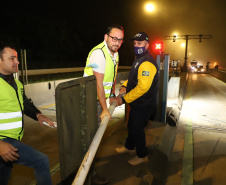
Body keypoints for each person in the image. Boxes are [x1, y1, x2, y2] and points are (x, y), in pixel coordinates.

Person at [0, 42, 55, 185]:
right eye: (12, 58)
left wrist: (38, 115)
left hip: (10, 142)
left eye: (17, 58)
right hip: (4, 142)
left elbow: (24, 103)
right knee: (41, 161)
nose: (17, 62)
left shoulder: (16, 83)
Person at [83, 24, 124, 184]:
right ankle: (89, 175)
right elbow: (99, 84)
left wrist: (113, 95)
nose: (117, 43)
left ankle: (90, 172)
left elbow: (112, 78)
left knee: (96, 139)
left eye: (120, 40)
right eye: (114, 38)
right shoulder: (99, 54)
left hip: (100, 100)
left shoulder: (115, 54)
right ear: (106, 37)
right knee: (91, 140)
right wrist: (105, 109)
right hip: (89, 101)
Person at [112, 32, 159, 165]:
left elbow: (142, 88)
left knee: (137, 128)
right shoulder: (139, 59)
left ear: (147, 45)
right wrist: (125, 85)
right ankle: (129, 147)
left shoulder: (147, 63)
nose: (136, 45)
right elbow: (134, 78)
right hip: (137, 102)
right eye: (135, 43)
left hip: (144, 103)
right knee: (131, 125)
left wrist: (124, 99)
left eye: (140, 43)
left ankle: (142, 155)